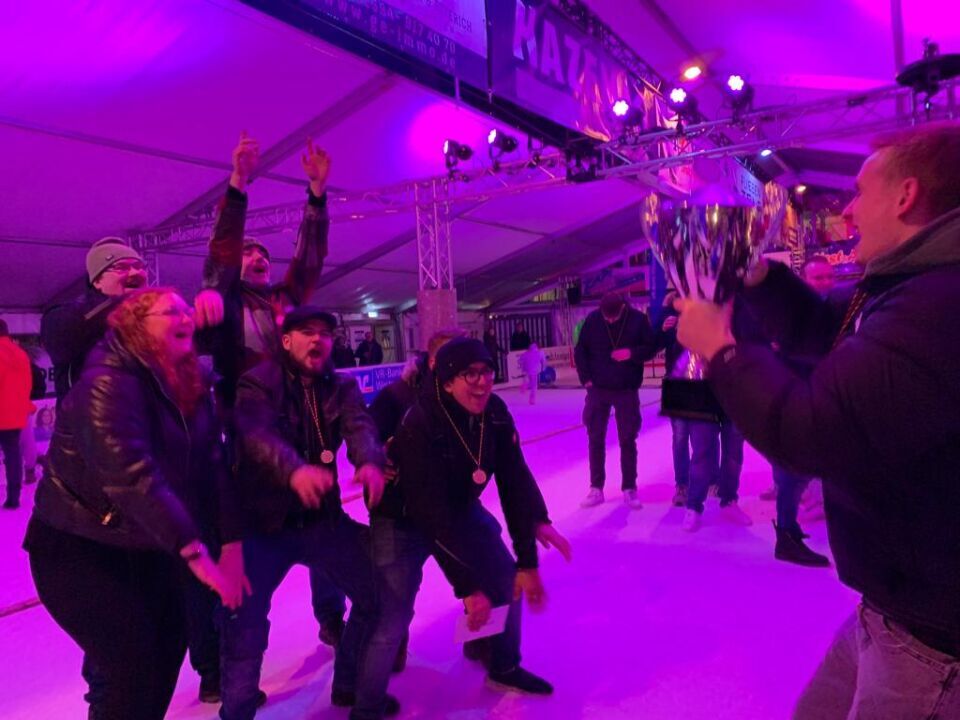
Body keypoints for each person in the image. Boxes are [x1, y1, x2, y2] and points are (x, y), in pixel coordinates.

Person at [675, 122, 960, 717]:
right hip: (892, 605)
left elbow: (808, 434)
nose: (848, 210)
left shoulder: (937, 304)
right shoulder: (909, 283)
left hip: (930, 638)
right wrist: (759, 275)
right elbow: (825, 329)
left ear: (905, 196)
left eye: (860, 191)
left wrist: (721, 351)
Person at [24, 288, 245, 720]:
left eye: (186, 309)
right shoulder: (106, 380)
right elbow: (132, 474)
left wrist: (232, 543)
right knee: (129, 667)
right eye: (170, 312)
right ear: (134, 327)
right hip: (79, 548)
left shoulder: (189, 383)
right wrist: (194, 551)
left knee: (169, 646)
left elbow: (212, 465)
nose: (186, 316)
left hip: (147, 542)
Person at [197, 132, 347, 652]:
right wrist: (238, 182)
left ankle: (332, 616)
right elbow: (221, 254)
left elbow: (310, 259)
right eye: (249, 252)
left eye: (263, 252)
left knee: (325, 528)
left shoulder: (286, 301)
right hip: (251, 445)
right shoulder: (225, 304)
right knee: (256, 546)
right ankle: (235, 647)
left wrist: (316, 196)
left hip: (304, 433)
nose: (257, 256)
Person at [222, 306, 398, 720]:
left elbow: (359, 426)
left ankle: (349, 683)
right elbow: (256, 436)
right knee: (244, 621)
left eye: (324, 333)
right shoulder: (257, 382)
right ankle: (237, 709)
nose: (318, 339)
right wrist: (294, 471)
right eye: (307, 332)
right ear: (286, 341)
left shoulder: (341, 386)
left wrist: (370, 460)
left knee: (376, 593)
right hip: (264, 525)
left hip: (322, 519)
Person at [394, 337, 571, 695]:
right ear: (446, 381)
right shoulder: (419, 419)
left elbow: (514, 478)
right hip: (401, 516)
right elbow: (430, 513)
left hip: (458, 506)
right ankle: (365, 680)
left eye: (487, 371)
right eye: (470, 374)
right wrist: (468, 588)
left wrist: (531, 541)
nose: (483, 382)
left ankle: (501, 663)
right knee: (392, 604)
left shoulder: (495, 412)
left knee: (506, 579)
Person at [679, 297, 762, 533]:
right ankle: (694, 506)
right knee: (701, 452)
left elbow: (756, 347)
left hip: (736, 390)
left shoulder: (746, 315)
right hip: (703, 391)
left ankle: (729, 501)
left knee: (733, 452)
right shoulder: (699, 311)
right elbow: (682, 342)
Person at [574, 291, 657, 510]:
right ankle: (596, 488)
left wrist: (631, 353)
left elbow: (651, 347)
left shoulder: (638, 320)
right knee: (595, 438)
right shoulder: (593, 319)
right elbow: (580, 350)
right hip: (597, 389)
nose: (610, 321)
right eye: (606, 317)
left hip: (626, 389)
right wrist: (586, 379)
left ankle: (629, 487)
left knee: (628, 439)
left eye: (614, 317)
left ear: (623, 308)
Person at [41, 237, 148, 403]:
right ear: (97, 281)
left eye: (139, 266)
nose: (136, 272)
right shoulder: (65, 315)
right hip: (89, 417)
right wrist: (118, 303)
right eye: (121, 267)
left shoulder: (150, 316)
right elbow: (61, 337)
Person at [652, 293, 690, 507]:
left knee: (705, 438)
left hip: (703, 381)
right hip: (675, 382)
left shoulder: (705, 307)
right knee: (680, 437)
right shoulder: (668, 312)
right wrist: (662, 330)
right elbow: (654, 344)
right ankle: (682, 485)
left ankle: (709, 480)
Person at [0, 319, 33, 509]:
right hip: (16, 413)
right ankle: (14, 497)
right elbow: (28, 382)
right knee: (13, 454)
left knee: (12, 453)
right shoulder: (20, 353)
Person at [21, 350, 47, 485]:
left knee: (26, 438)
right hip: (17, 404)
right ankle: (36, 459)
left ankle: (31, 467)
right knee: (24, 439)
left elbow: (40, 387)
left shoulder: (30, 369)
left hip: (21, 405)